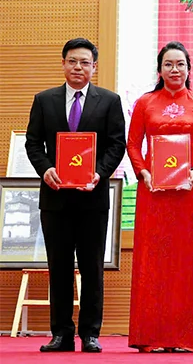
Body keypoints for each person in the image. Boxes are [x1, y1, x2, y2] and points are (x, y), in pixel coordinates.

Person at [24, 38, 126, 353]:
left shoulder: (109, 101)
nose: (78, 67)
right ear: (63, 64)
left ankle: (90, 333)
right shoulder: (44, 100)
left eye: (84, 62)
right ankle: (61, 334)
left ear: (94, 66)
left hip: (92, 198)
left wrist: (100, 173)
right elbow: (33, 142)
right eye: (72, 61)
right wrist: (45, 169)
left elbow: (117, 144)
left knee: (92, 267)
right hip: (55, 198)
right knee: (59, 268)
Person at [126, 41, 193, 352]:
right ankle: (151, 336)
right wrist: (143, 172)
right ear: (159, 70)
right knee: (153, 261)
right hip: (153, 192)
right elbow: (133, 144)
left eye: (180, 64)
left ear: (189, 69)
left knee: (185, 261)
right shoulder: (145, 103)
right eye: (168, 64)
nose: (175, 69)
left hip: (187, 192)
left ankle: (186, 337)